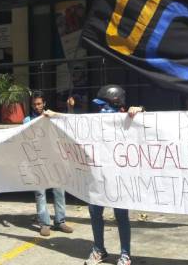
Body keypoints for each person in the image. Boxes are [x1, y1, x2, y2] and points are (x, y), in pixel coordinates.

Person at [48, 85, 143, 265]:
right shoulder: (95, 121)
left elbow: (152, 124)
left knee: (121, 215)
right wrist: (55, 116)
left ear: (118, 106)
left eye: (104, 106)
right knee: (95, 212)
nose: (100, 109)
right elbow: (73, 123)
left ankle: (125, 254)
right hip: (97, 177)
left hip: (119, 179)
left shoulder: (129, 119)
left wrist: (140, 110)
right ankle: (99, 249)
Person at [23, 91, 74, 237]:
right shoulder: (27, 120)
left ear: (44, 103)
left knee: (59, 191)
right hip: (37, 160)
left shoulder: (52, 116)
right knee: (40, 193)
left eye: (39, 103)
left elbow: (68, 122)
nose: (37, 106)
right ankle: (44, 223)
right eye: (34, 104)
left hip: (55, 159)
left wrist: (68, 108)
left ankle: (60, 221)